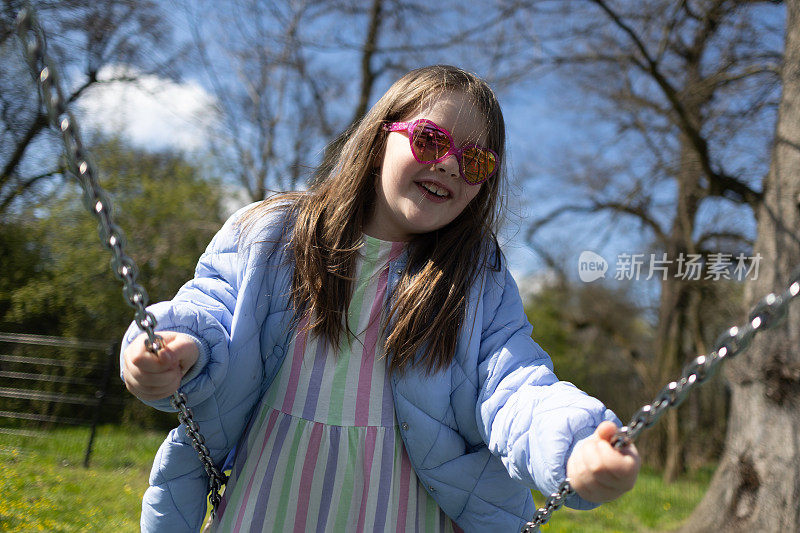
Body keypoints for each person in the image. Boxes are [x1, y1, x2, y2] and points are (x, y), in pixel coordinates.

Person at [121, 64, 640, 533]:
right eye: (432, 140)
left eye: (476, 161)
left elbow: (514, 384)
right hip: (268, 504)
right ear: (377, 143)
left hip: (407, 513)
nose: (452, 165)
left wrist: (572, 445)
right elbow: (213, 309)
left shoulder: (473, 279)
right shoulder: (271, 236)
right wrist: (177, 346)